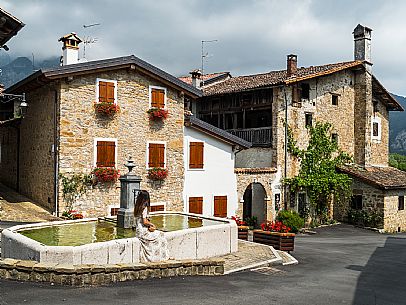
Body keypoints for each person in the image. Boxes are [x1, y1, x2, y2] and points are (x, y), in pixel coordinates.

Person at [133, 190, 169, 262]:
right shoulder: (144, 207)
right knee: (161, 235)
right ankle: (161, 257)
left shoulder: (137, 207)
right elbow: (145, 222)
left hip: (138, 231)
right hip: (143, 231)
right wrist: (152, 225)